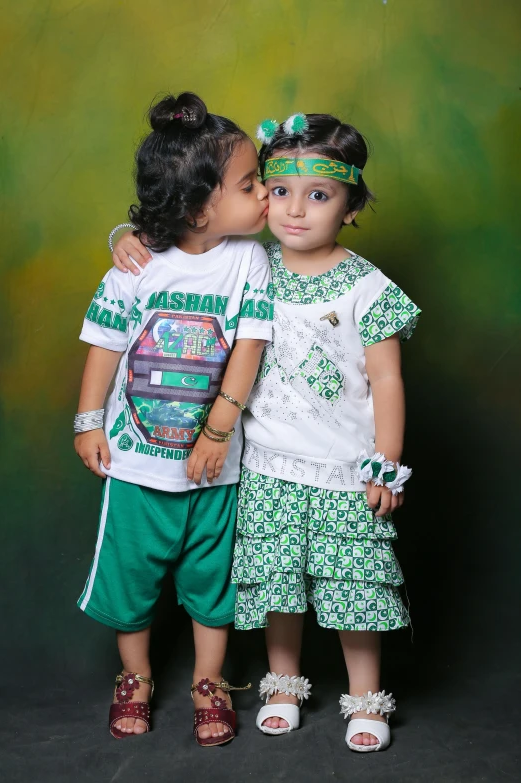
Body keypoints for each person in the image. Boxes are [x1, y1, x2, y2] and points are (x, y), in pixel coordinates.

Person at [110, 110, 421, 753]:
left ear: (352, 205)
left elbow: (387, 381)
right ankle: (283, 685)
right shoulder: (248, 264)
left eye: (319, 196)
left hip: (344, 469)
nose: (294, 211)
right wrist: (124, 234)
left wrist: (386, 461)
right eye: (277, 191)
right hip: (267, 466)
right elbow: (179, 241)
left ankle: (366, 698)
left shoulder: (368, 287)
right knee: (277, 583)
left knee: (353, 587)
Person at [74, 92, 272, 745]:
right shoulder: (136, 264)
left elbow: (250, 343)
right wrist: (87, 420)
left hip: (215, 468)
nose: (266, 193)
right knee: (132, 581)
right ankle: (134, 676)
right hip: (136, 465)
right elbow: (104, 345)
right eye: (250, 184)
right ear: (197, 205)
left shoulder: (248, 259)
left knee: (213, 581)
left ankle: (208, 681)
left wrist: (218, 429)